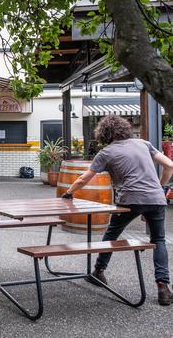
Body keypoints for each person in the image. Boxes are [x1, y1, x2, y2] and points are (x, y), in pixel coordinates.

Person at [61, 115, 173, 305]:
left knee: (112, 233)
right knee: (159, 239)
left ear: (104, 133)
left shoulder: (106, 152)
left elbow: (83, 179)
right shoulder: (143, 144)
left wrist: (69, 193)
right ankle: (163, 287)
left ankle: (98, 271)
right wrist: (160, 189)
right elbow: (169, 166)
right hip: (155, 199)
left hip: (129, 199)